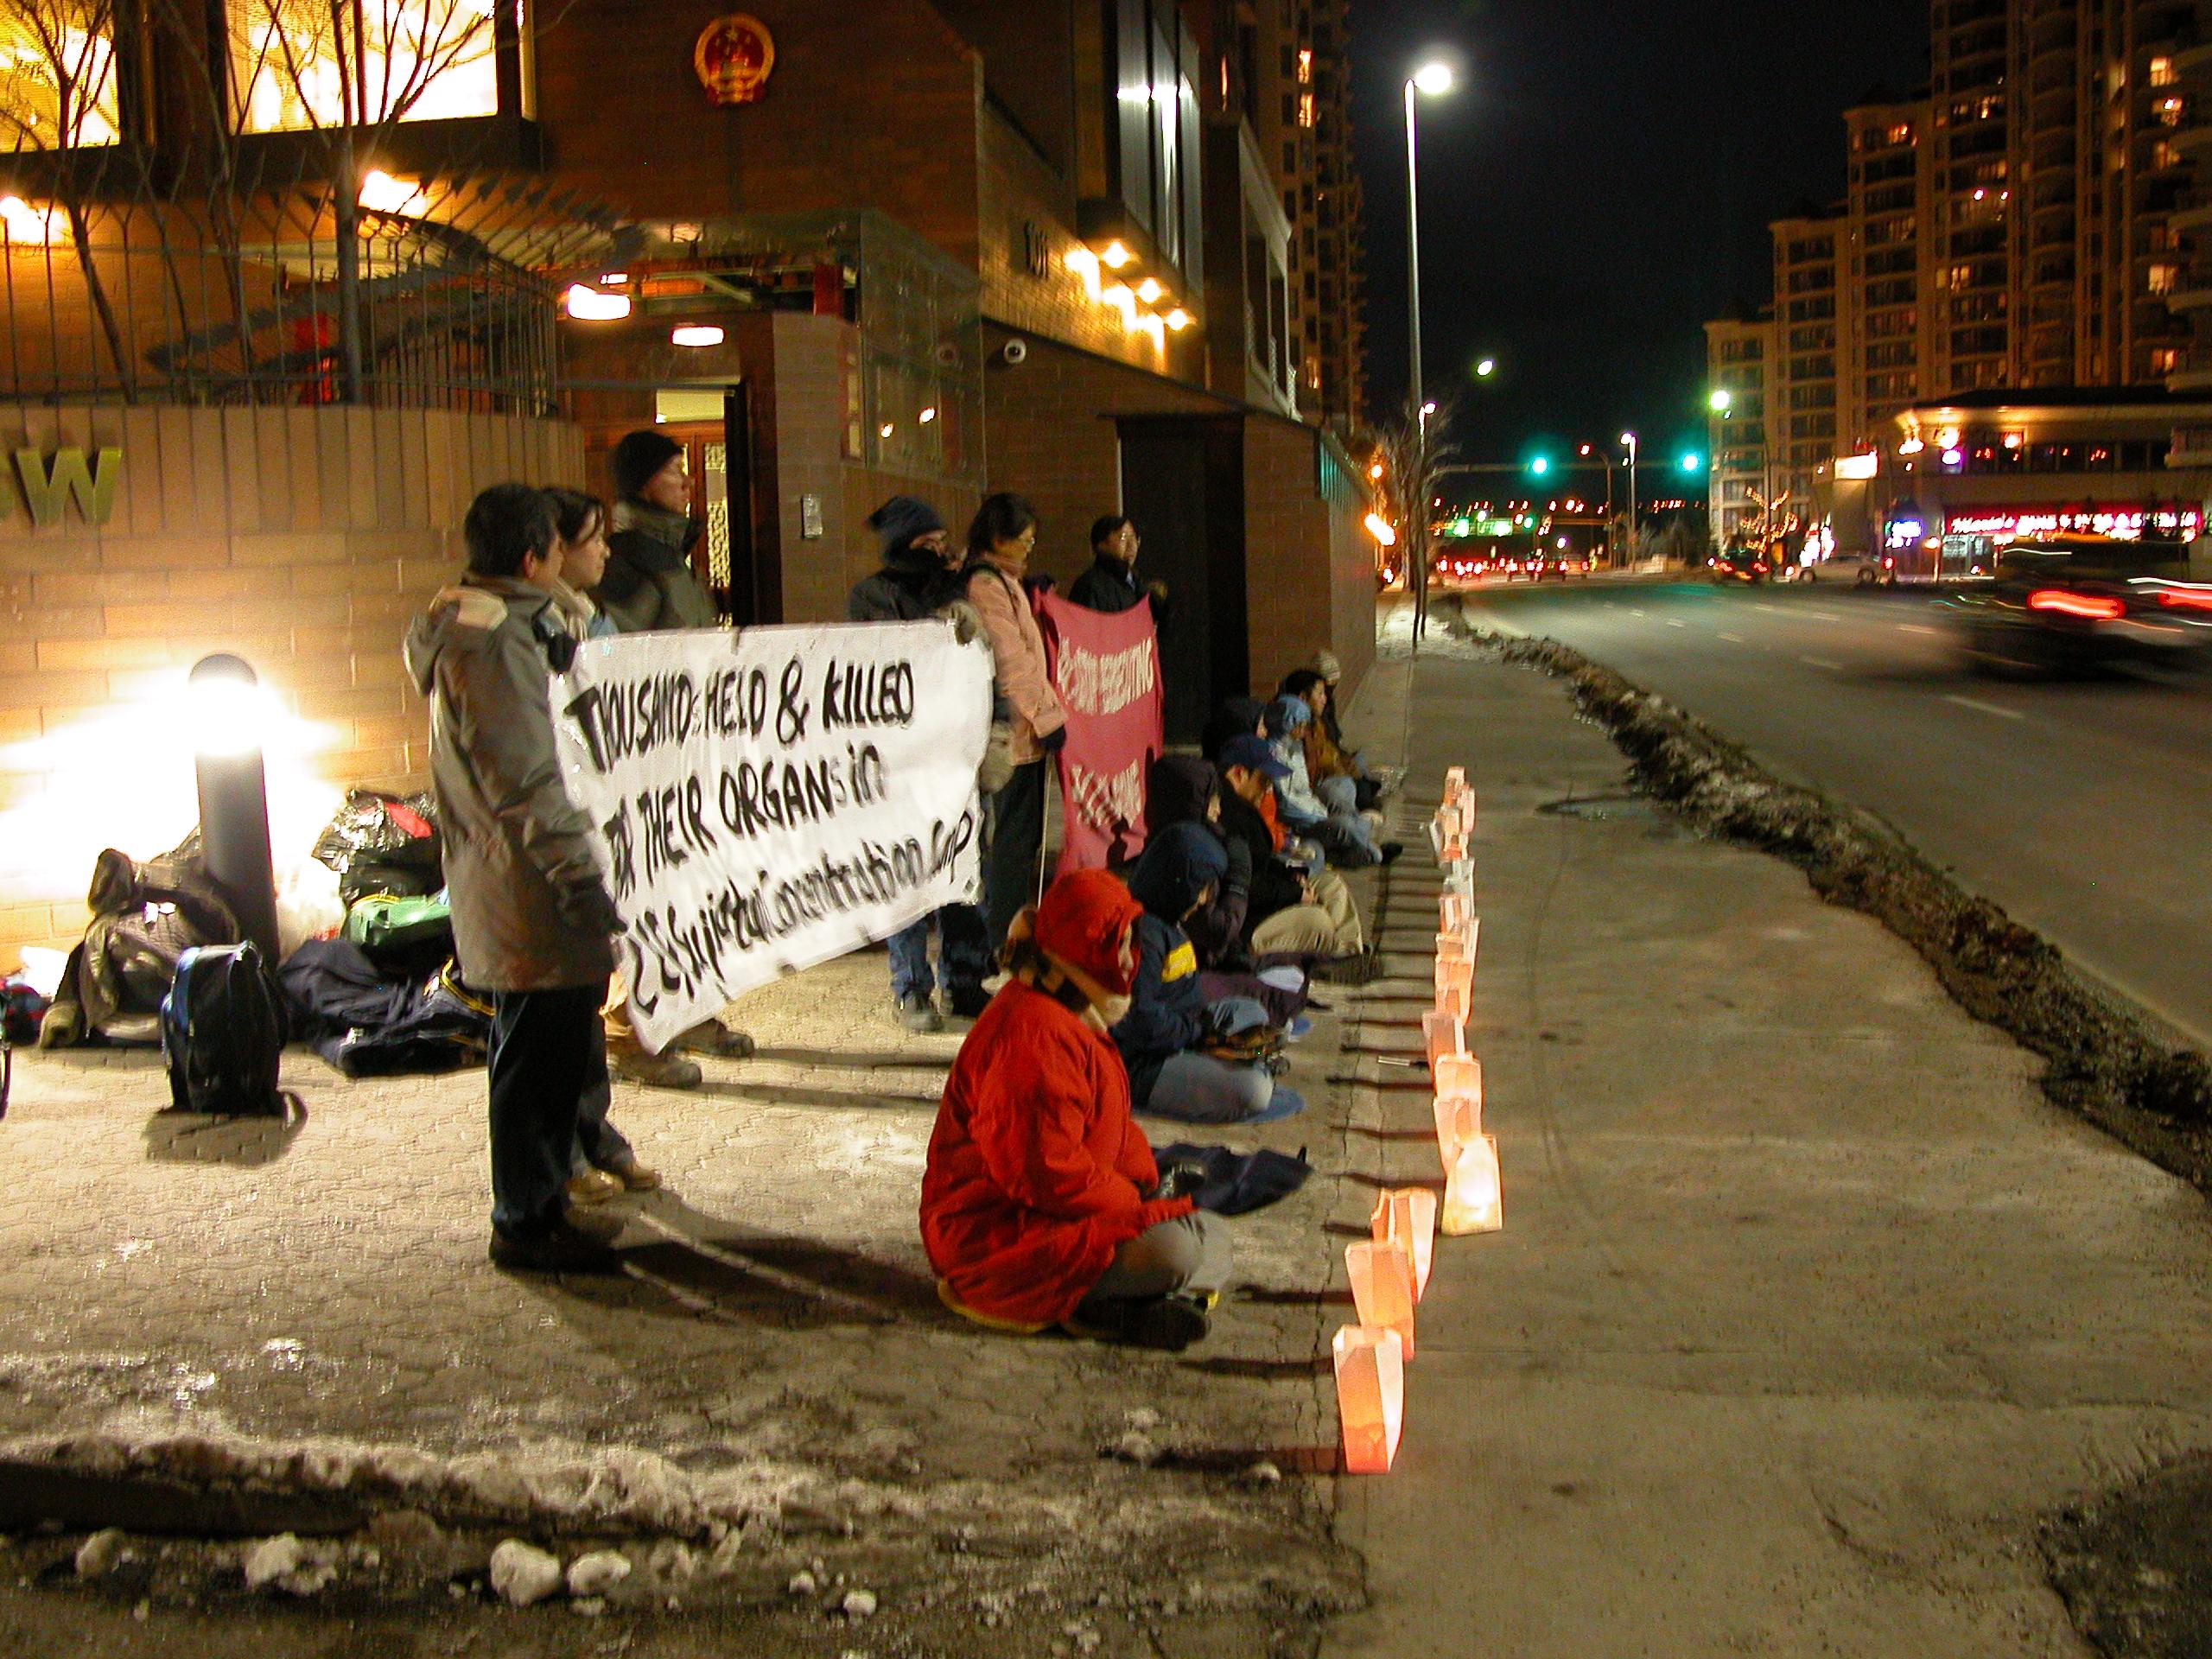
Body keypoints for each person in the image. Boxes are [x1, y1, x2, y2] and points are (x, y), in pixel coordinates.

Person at [404, 484, 626, 1274]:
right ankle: (526, 1221)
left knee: (541, 1046)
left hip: (513, 874)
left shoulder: (492, 628)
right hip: (526, 883)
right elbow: (529, 777)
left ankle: (539, 1207)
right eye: (560, 552)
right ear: (534, 558)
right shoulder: (494, 645)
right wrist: (577, 875)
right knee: (537, 1055)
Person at [921, 868, 1230, 1351]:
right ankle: (1095, 1304)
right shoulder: (1034, 1035)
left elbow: (1106, 1128)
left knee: (1203, 1226)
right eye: (1121, 945)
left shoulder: (1069, 1009)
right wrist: (1135, 1207)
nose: (1131, 960)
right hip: (993, 1239)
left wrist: (1148, 1182)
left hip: (1057, 1209)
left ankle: (1115, 1304)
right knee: (1181, 1249)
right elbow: (1044, 1172)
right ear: (1088, 951)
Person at [587, 439, 758, 1074]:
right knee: (649, 889)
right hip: (652, 760)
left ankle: (688, 1007)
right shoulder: (632, 561)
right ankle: (629, 1029)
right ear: (640, 485)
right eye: (671, 472)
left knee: (692, 887)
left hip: (688, 750)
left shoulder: (666, 556)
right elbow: (619, 660)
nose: (686, 483)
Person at [537, 487, 659, 1206]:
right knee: (554, 1018)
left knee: (584, 996)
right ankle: (564, 1157)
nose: (605, 552)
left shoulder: (588, 621)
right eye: (592, 539)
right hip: (561, 842)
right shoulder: (533, 633)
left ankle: (595, 1137)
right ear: (552, 551)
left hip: (596, 828)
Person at [850, 495, 993, 1032]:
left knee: (964, 873)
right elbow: (881, 664)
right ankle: (911, 988)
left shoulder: (962, 593)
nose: (939, 551)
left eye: (941, 541)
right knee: (906, 878)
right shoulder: (872, 596)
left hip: (956, 754)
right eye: (926, 544)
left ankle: (966, 979)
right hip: (901, 760)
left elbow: (984, 666)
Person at [1112, 823, 1300, 1125]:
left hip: (1186, 1029)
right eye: (1200, 889)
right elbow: (1139, 1020)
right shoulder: (1143, 936)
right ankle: (1247, 1072)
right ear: (1175, 882)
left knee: (1253, 1011)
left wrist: (1209, 1028)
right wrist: (1197, 1034)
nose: (1202, 900)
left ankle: (1237, 1064)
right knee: (1253, 1091)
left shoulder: (1169, 921)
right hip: (1147, 1062)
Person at [963, 493, 1066, 951]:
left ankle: (1006, 934)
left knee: (1020, 846)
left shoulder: (1007, 584)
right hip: (1011, 739)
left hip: (1024, 735)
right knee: (1009, 847)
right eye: (1022, 541)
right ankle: (999, 941)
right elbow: (1013, 662)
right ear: (998, 539)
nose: (1028, 548)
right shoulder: (986, 588)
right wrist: (1046, 717)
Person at [1217, 734, 1366, 961]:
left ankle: (1347, 952)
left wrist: (1293, 877)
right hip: (1248, 921)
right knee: (1319, 920)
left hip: (1268, 898)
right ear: (1238, 774)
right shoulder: (1227, 817)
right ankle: (1338, 952)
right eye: (1263, 781)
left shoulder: (1243, 809)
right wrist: (1294, 893)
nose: (1266, 790)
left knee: (1331, 885)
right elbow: (1245, 886)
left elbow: (1262, 864)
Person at [594, 430, 720, 633]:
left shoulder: (669, 552)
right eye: (675, 470)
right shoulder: (631, 559)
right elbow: (620, 649)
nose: (689, 482)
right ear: (644, 482)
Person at [1265, 696, 1398, 868]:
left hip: (1311, 805)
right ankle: (1371, 846)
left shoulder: (1295, 746)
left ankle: (1358, 829)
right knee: (1343, 826)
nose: (1304, 732)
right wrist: (1318, 814)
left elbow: (1304, 788)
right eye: (1300, 726)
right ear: (1288, 723)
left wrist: (1318, 805)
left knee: (1341, 786)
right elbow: (1286, 804)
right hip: (1299, 823)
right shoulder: (1271, 755)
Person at [1068, 514, 1170, 626]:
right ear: (1101, 545)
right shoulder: (1090, 585)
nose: (1132, 545)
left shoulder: (1135, 583)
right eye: (1123, 537)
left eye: (1134, 537)